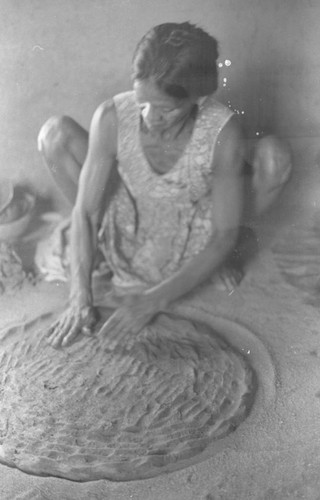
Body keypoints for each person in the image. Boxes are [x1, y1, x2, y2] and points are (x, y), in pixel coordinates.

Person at [37, 22, 291, 348]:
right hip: (128, 222)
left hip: (191, 234)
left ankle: (212, 266)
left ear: (198, 98)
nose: (148, 117)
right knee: (54, 132)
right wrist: (79, 297)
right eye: (142, 102)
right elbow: (84, 213)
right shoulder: (113, 117)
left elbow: (223, 235)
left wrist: (151, 302)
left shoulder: (221, 130)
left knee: (274, 156)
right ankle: (102, 254)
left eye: (166, 109)